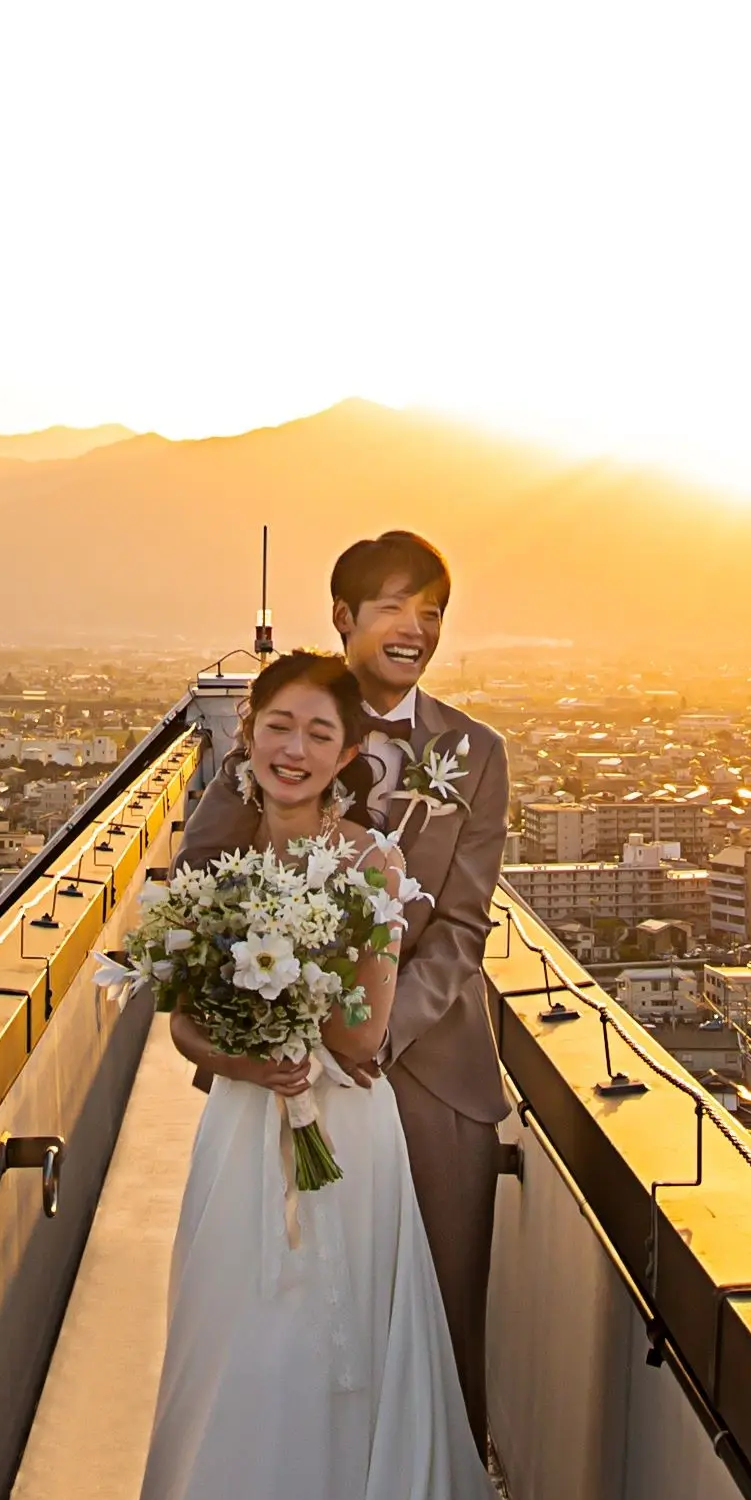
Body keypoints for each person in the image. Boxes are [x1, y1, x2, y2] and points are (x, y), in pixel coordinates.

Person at [112, 651, 595, 1500]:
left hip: (344, 1147)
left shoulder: (371, 864)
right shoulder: (220, 862)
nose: (292, 750)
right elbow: (180, 1024)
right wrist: (241, 1046)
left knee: (335, 1384)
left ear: (346, 753)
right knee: (233, 1379)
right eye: (275, 727)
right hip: (240, 1144)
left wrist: (290, 1021)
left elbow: (370, 1032)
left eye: (316, 733)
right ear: (249, 740)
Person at [180, 526, 507, 1440]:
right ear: (344, 618)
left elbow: (466, 927)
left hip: (432, 1069)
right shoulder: (282, 730)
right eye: (394, 607)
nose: (415, 628)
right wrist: (276, 1025)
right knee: (285, 1325)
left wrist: (375, 1029)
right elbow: (205, 881)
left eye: (432, 612)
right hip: (281, 1078)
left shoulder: (476, 754)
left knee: (439, 1333)